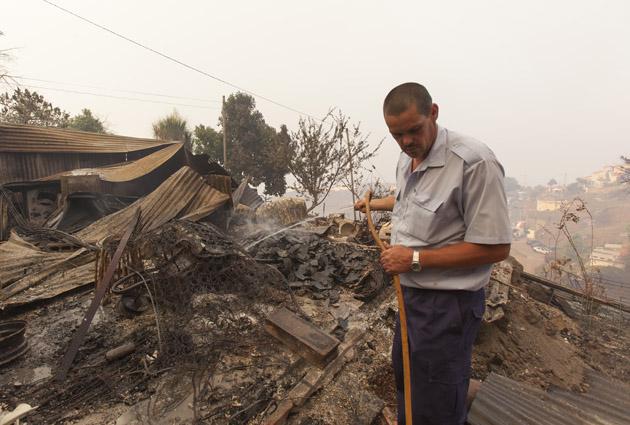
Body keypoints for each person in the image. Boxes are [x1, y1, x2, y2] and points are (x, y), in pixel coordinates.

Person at [355, 82, 511, 425]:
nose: (407, 141)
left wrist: (413, 259)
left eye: (414, 130)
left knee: (436, 401)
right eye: (397, 135)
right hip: (411, 301)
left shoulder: (474, 162)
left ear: (434, 113)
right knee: (407, 385)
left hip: (448, 308)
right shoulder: (408, 156)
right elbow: (411, 200)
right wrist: (375, 203)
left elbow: (496, 247)